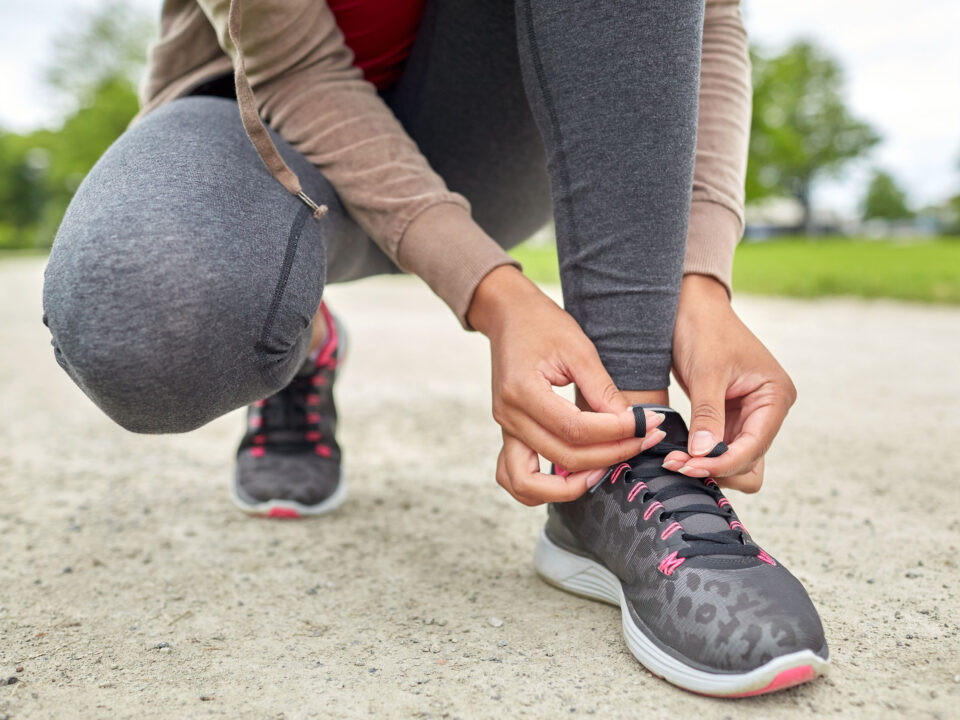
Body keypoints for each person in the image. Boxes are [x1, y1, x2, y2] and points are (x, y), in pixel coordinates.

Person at [41, 0, 829, 697]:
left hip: (491, 131)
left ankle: (620, 451)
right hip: (265, 122)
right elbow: (301, 69)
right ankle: (297, 339)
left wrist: (697, 274)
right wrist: (493, 292)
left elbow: (709, 18)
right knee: (142, 311)